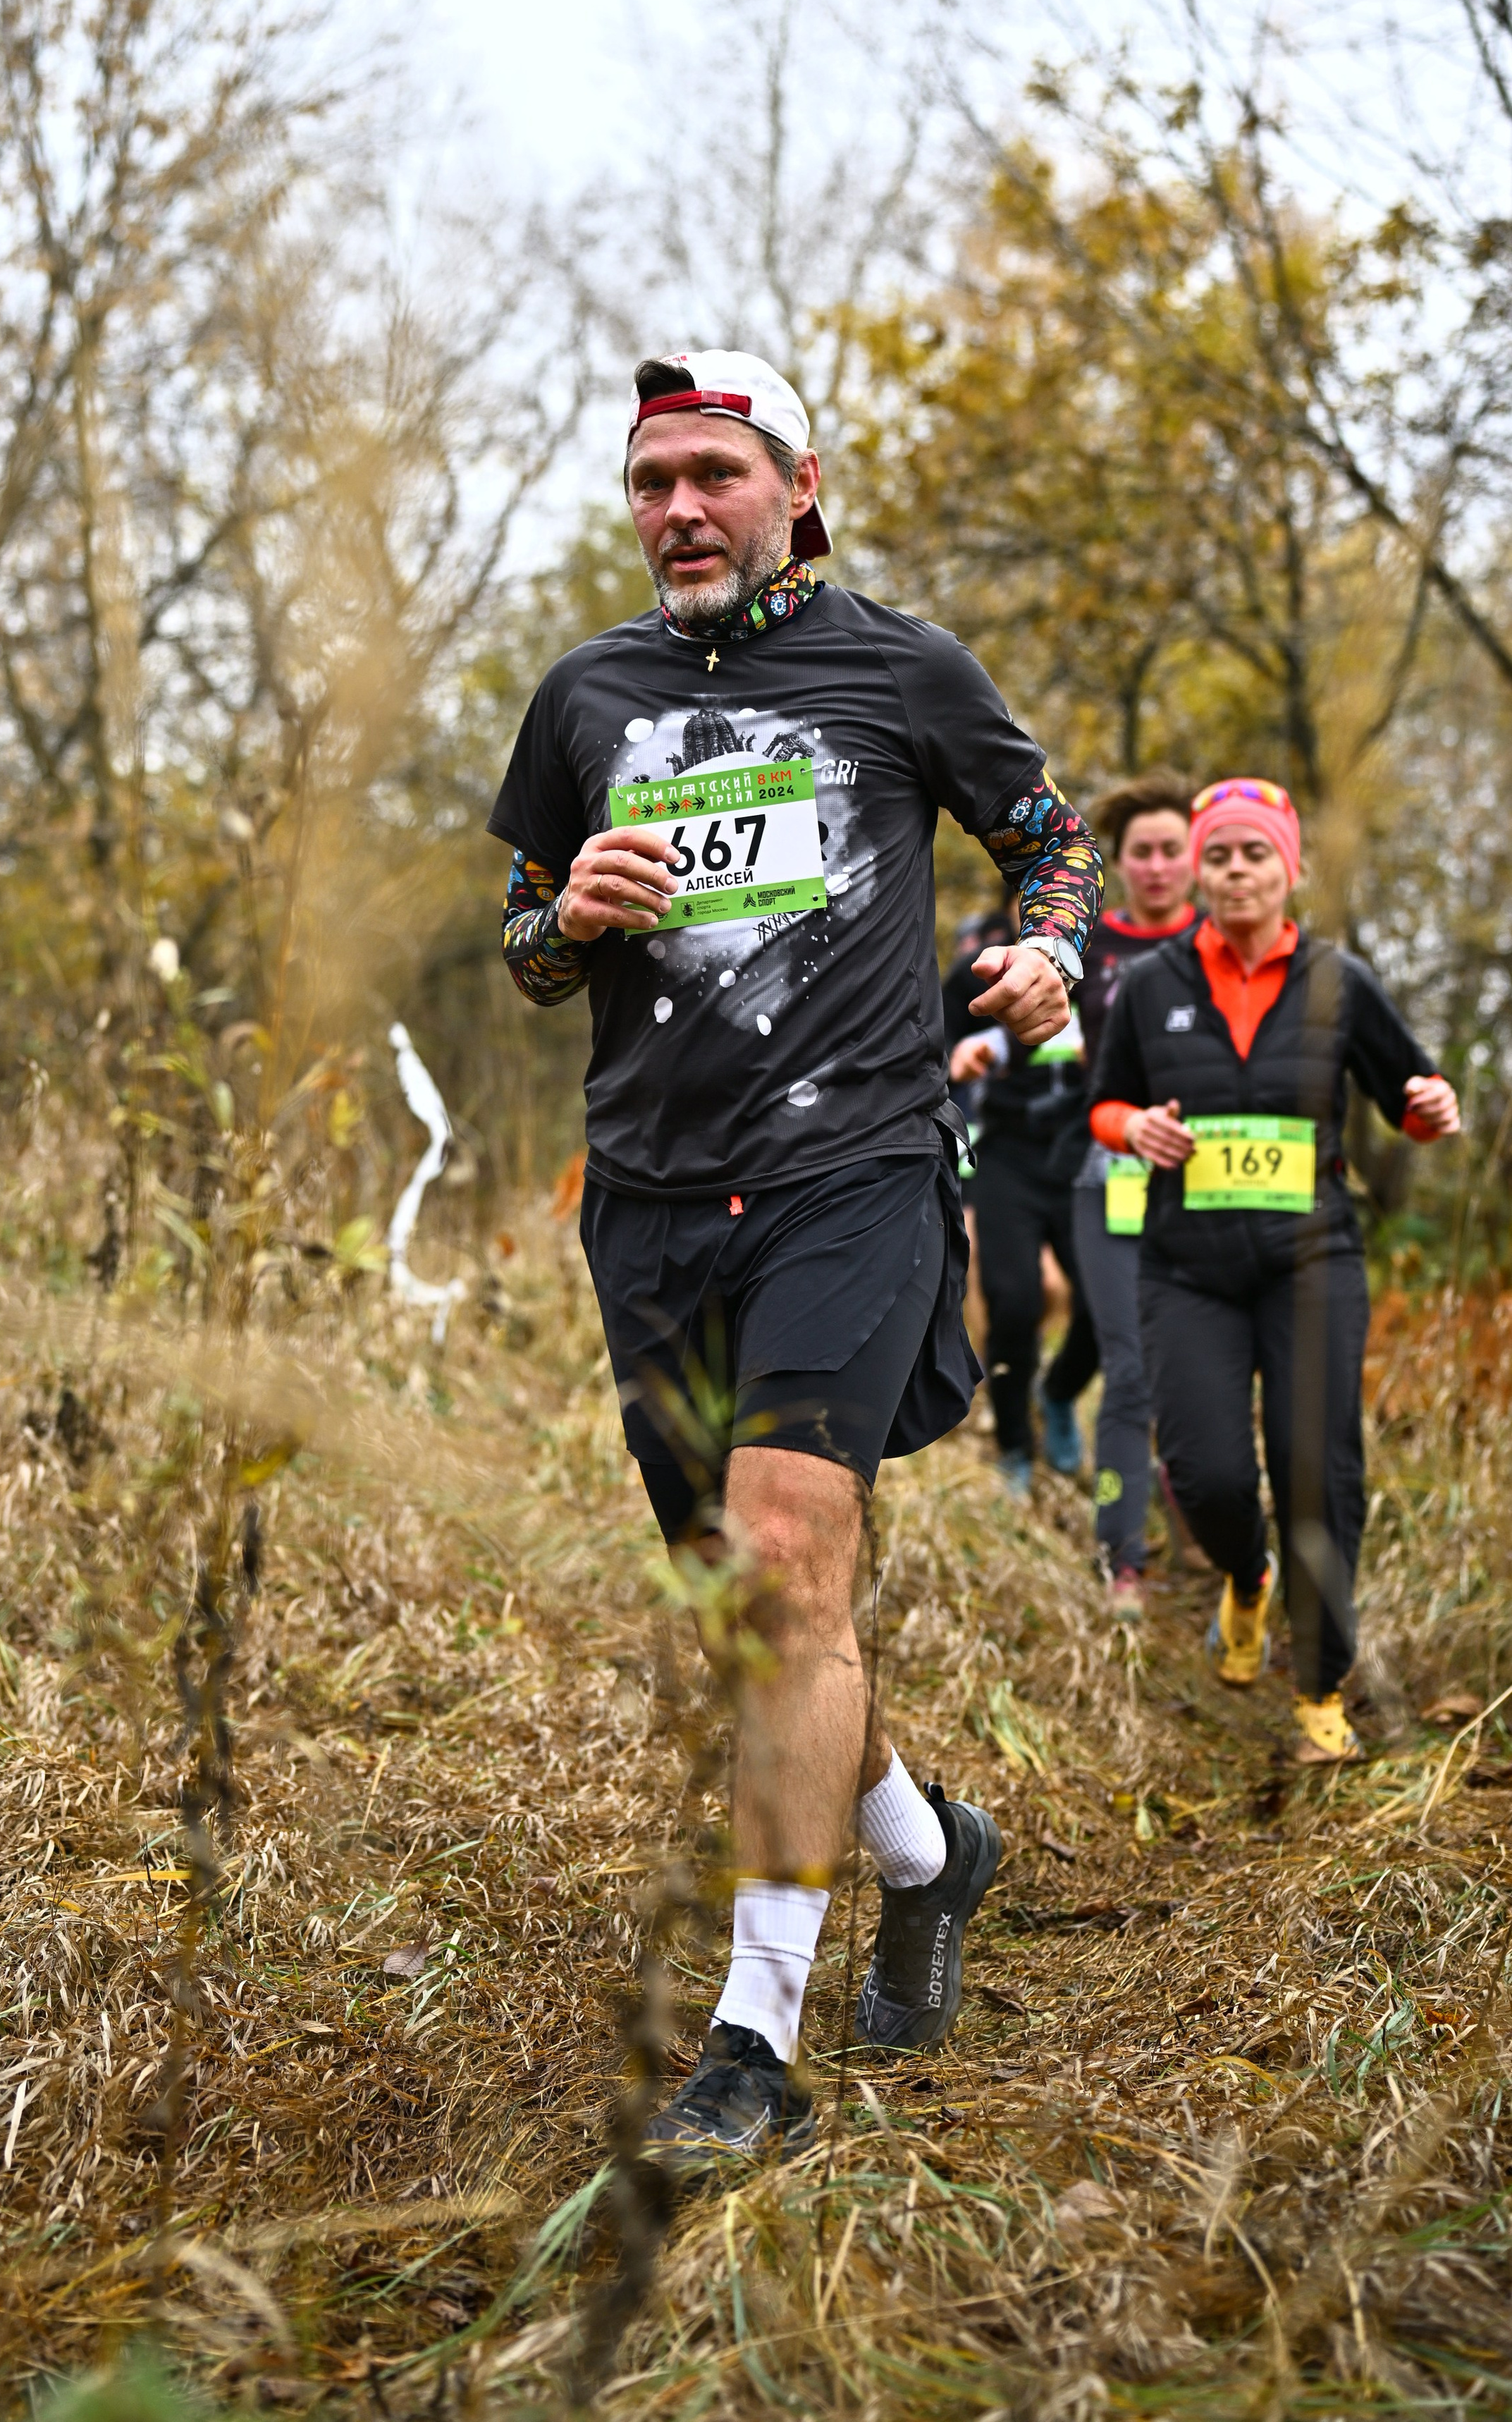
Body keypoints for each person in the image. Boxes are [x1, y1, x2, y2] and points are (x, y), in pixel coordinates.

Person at [489, 349, 1102, 2161]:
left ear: (796, 485)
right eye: (650, 481)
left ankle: (750, 2045)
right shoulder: (582, 693)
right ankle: (924, 1848)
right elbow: (524, 943)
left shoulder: (901, 669)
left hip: (851, 1169)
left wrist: (1048, 952)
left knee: (778, 1561)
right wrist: (562, 915)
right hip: (648, 1197)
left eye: (715, 474)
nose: (679, 509)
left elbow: (1050, 848)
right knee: (746, 1608)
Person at [1087, 778, 1458, 1761]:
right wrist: (1136, 1128)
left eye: (1255, 853)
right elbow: (1104, 1102)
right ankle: (1246, 1575)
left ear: (1288, 868)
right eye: (1218, 855)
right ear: (1198, 872)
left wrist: (1431, 1108)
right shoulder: (1153, 983)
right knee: (1205, 1471)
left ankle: (1320, 1686)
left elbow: (1410, 1097)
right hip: (1187, 1267)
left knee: (1316, 1466)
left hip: (1311, 1261)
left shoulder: (1340, 981)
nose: (1235, 871)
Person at [1064, 769, 1201, 1616]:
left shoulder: (1223, 942)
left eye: (1169, 850)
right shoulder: (1089, 947)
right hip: (1108, 1175)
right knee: (1128, 1368)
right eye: (1139, 852)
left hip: (1208, 1180)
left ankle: (1203, 1516)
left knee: (1199, 1366)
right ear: (1119, 862)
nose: (1155, 866)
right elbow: (1041, 1039)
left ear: (1195, 857)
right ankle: (1122, 1556)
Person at [945, 922, 1098, 1496]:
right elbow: (931, 1046)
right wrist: (960, 1058)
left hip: (1084, 1153)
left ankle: (1057, 1394)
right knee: (1014, 1302)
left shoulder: (1105, 965)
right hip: (1007, 1155)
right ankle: (1014, 1445)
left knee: (1102, 1304)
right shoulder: (979, 969)